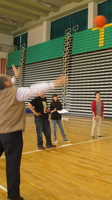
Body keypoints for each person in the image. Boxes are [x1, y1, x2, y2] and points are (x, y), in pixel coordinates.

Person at [0, 64, 68, 200]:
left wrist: (15, 77)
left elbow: (5, 85)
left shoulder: (4, 90)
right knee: (12, 165)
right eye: (9, 79)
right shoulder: (16, 92)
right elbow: (34, 89)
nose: (11, 81)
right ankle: (13, 196)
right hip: (12, 134)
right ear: (6, 83)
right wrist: (54, 83)